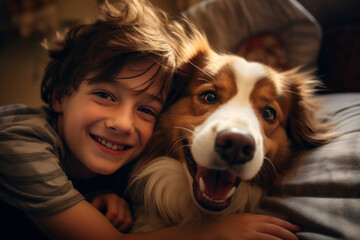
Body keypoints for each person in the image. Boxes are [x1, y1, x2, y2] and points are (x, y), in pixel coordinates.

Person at [0, 0, 300, 239]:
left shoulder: (119, 156)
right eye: (105, 95)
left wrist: (100, 194)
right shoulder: (18, 141)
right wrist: (211, 231)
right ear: (60, 95)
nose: (123, 123)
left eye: (146, 110)